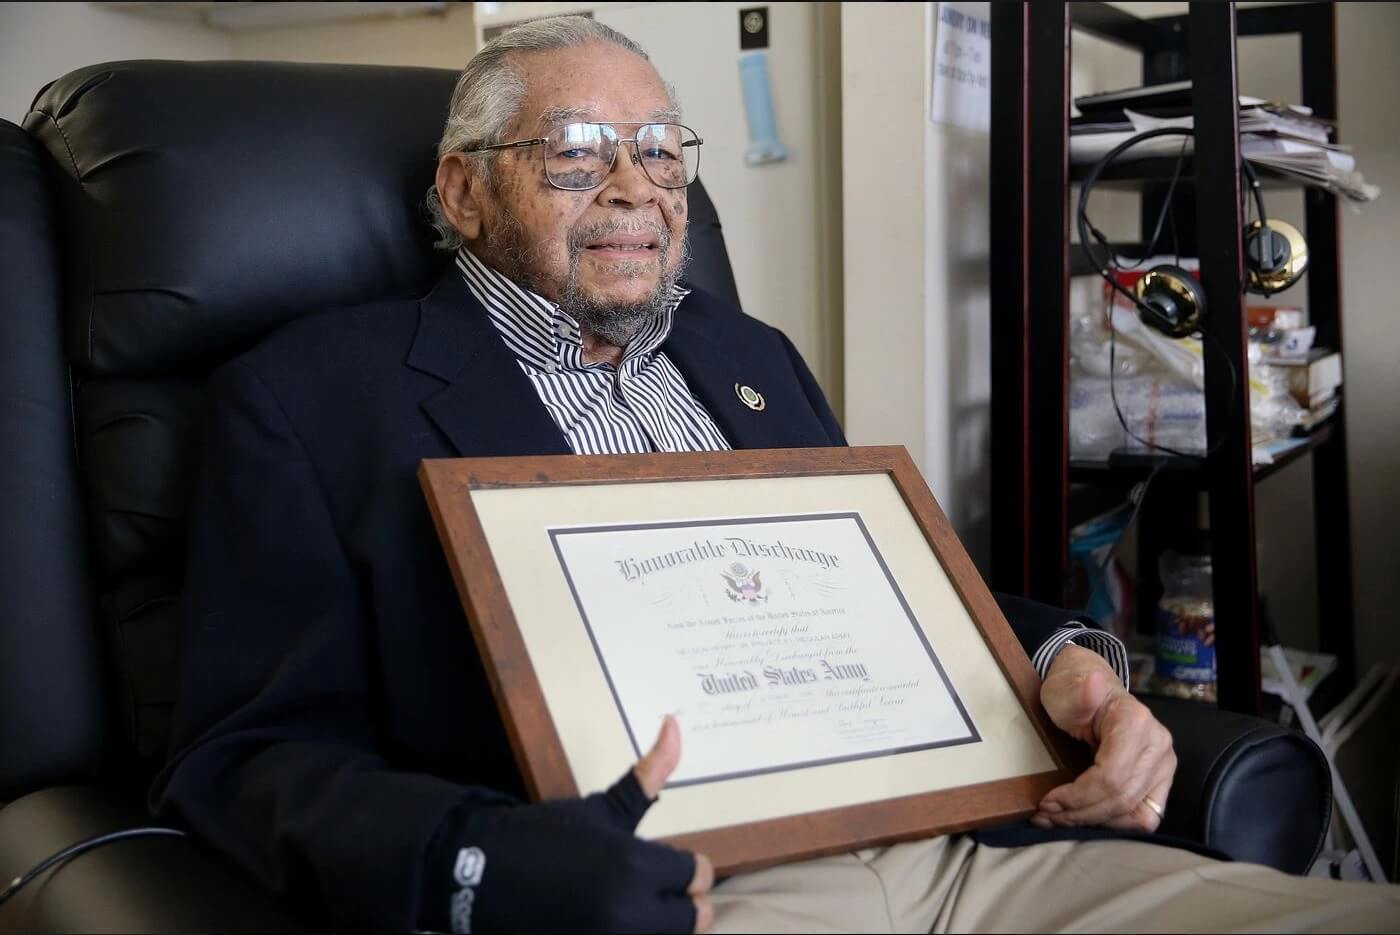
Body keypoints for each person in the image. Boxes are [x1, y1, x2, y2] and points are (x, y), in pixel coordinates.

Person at [154, 16, 1400, 935]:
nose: (636, 186)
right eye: (578, 153)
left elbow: (895, 603)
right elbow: (248, 756)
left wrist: (1065, 664)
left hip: (970, 855)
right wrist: (482, 862)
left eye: (661, 150)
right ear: (463, 191)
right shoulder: (311, 399)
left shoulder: (745, 355)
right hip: (685, 894)